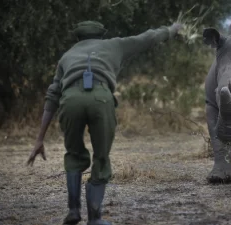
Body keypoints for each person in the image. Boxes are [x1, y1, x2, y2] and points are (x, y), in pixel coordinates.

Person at [26, 21, 183, 225]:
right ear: (100, 35)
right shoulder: (115, 44)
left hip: (70, 100)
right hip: (101, 98)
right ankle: (95, 218)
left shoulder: (67, 56)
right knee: (101, 157)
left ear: (78, 37)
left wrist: (39, 139)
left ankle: (73, 210)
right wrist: (172, 29)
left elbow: (52, 95)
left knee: (73, 154)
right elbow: (148, 38)